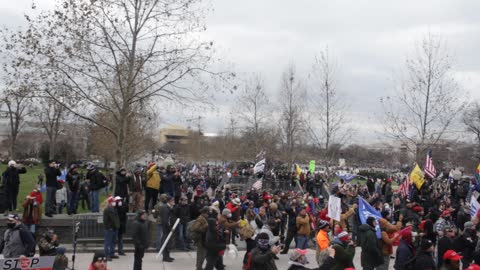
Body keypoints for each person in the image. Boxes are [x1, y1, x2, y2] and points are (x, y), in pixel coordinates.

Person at [103, 196, 120, 261]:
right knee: (108, 242)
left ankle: (112, 253)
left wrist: (117, 226)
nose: (114, 203)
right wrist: (108, 227)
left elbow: (116, 219)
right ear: (110, 202)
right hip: (109, 229)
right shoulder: (107, 210)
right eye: (113, 202)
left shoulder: (114, 209)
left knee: (113, 242)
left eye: (114, 202)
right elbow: (105, 221)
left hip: (115, 228)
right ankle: (107, 255)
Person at [159, 195, 175, 262]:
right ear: (170, 201)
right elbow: (166, 220)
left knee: (168, 242)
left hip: (167, 227)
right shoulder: (165, 208)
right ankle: (165, 257)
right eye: (173, 201)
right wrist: (170, 227)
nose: (174, 202)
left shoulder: (168, 207)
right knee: (166, 241)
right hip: (166, 228)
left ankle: (167, 256)